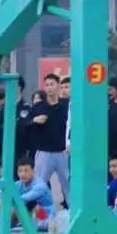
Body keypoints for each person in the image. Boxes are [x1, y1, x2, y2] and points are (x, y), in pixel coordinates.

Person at [30, 74, 70, 208]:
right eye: (47, 85)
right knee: (38, 184)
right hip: (44, 152)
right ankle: (34, 213)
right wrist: (34, 120)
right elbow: (25, 123)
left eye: (52, 84)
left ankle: (73, 211)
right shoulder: (39, 107)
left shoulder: (66, 106)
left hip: (63, 152)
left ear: (58, 86)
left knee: (68, 184)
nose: (49, 88)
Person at [15, 158, 54, 228]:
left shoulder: (40, 185)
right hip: (32, 215)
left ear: (33, 171)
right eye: (20, 171)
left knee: (29, 204)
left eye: (26, 170)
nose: (23, 174)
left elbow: (23, 199)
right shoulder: (19, 184)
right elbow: (1, 193)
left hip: (46, 216)